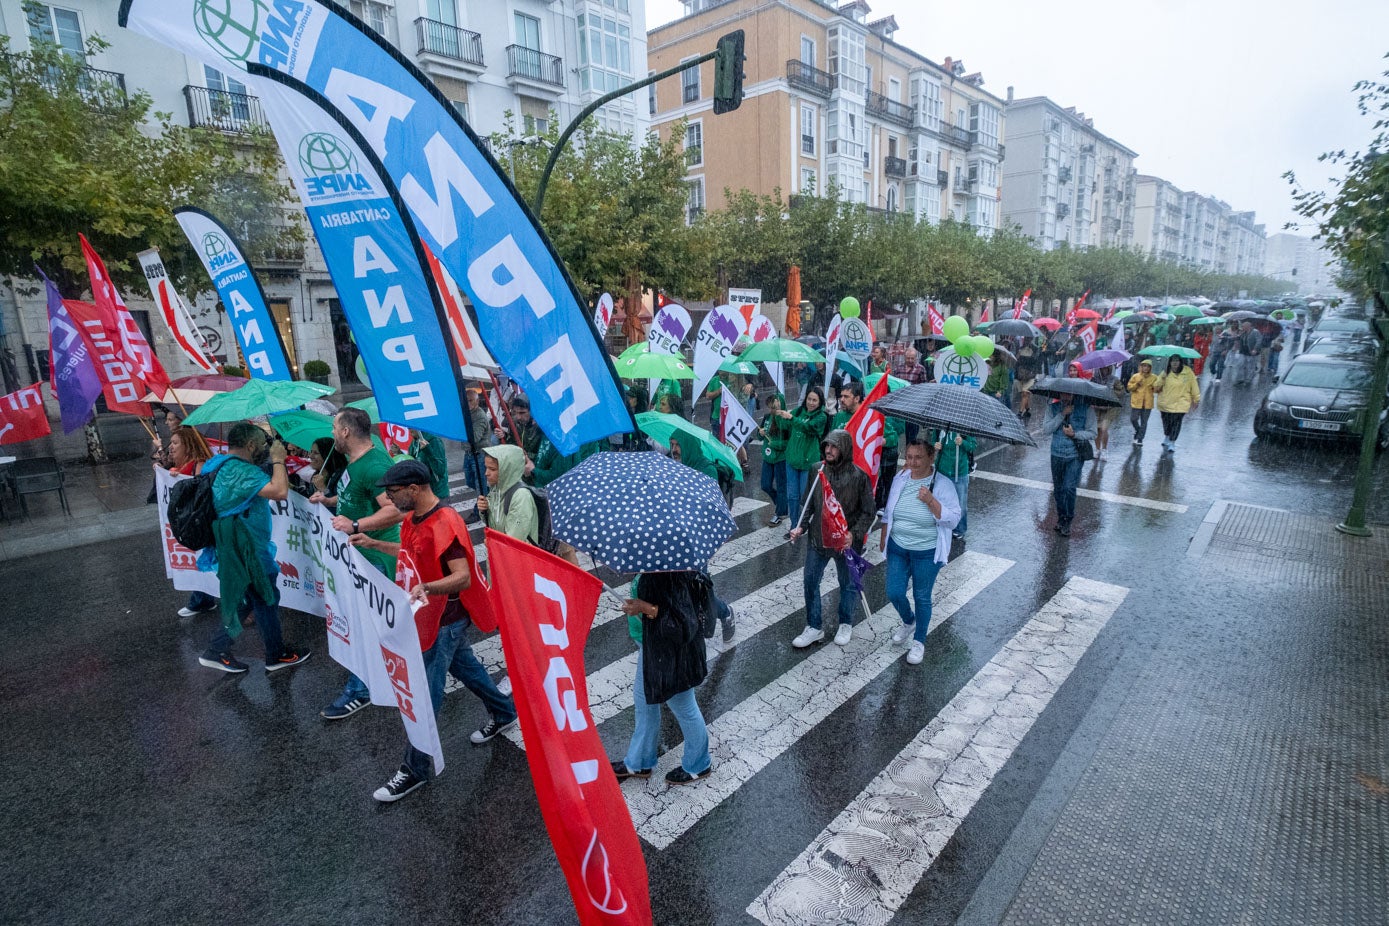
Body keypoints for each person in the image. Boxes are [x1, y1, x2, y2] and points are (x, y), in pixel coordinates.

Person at [350, 460, 517, 802]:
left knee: (426, 695)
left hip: (446, 619)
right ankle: (504, 712)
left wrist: (427, 586)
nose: (388, 498)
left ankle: (415, 769)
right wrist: (373, 543)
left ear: (414, 488)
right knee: (468, 671)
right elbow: (412, 556)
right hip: (430, 616)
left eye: (393, 492)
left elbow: (463, 576)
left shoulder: (446, 523)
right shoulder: (412, 519)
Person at [196, 422, 311, 673]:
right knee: (265, 595)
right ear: (250, 445)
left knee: (252, 596)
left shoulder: (217, 463)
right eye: (261, 444)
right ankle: (275, 653)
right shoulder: (241, 471)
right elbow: (280, 491)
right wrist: (279, 459)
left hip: (231, 541)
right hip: (246, 545)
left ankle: (219, 649)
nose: (263, 449)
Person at [313, 407, 403, 720]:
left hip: (374, 559)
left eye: (335, 428)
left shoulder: (375, 463)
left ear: (347, 431)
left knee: (367, 626)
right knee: (368, 624)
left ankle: (361, 689)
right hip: (358, 555)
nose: (333, 434)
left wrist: (355, 526)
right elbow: (355, 496)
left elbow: (395, 511)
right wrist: (328, 502)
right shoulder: (358, 462)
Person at [610, 571, 713, 786]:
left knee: (685, 708)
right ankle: (639, 762)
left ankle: (698, 764)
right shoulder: (654, 564)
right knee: (644, 701)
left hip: (672, 657)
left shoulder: (670, 572)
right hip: (652, 649)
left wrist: (645, 608)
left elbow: (684, 625)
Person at [787, 429, 875, 647]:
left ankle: (846, 622)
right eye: (827, 445)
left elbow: (869, 511)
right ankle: (814, 626)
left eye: (834, 446)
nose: (829, 450)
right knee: (810, 580)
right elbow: (808, 503)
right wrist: (800, 527)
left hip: (845, 543)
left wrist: (853, 534)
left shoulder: (859, 476)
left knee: (847, 584)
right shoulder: (816, 470)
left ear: (844, 448)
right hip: (818, 539)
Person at [879, 439, 961, 665]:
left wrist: (931, 501)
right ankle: (909, 621)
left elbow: (954, 520)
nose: (912, 462)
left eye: (918, 457)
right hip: (898, 546)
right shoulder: (901, 478)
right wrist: (884, 534)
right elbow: (889, 509)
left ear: (931, 458)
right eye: (909, 456)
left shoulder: (943, 485)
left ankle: (919, 641)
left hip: (926, 551)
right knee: (894, 592)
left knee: (921, 596)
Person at [1045, 396, 1096, 537]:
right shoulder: (1053, 408)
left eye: (1069, 394)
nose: (1066, 396)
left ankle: (1068, 519)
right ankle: (1061, 517)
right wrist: (1062, 415)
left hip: (1075, 455)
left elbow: (1093, 432)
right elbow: (1046, 429)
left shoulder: (1086, 409)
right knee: (1058, 490)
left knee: (1069, 488)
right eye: (1063, 393)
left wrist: (1075, 434)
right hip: (1056, 454)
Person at [779, 385, 829, 528]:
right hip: (792, 460)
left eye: (815, 400)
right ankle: (794, 525)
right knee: (792, 496)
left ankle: (804, 523)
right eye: (809, 399)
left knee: (803, 496)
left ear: (820, 402)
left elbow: (808, 428)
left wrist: (791, 418)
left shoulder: (821, 417)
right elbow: (784, 425)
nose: (811, 403)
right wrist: (780, 410)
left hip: (808, 463)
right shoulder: (798, 411)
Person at [927, 426, 975, 540]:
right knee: (941, 499)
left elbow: (972, 445)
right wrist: (935, 445)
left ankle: (960, 528)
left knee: (961, 503)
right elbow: (933, 441)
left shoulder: (966, 427)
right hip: (942, 470)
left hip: (959, 471)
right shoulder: (939, 427)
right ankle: (943, 522)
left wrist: (963, 442)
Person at [1153, 355, 1200, 453]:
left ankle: (1172, 442)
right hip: (1165, 402)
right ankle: (1167, 435)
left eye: (1177, 361)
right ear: (1169, 362)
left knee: (1176, 423)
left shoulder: (1188, 373)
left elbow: (1194, 386)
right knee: (1166, 422)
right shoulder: (1165, 372)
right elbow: (1157, 386)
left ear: (1180, 362)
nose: (1175, 363)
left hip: (1181, 404)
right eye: (1173, 361)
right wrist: (1162, 377)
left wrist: (1196, 399)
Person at [758, 392, 790, 526]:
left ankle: (780, 513)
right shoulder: (766, 417)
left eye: (775, 407)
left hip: (780, 458)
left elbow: (788, 442)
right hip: (768, 457)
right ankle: (781, 503)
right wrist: (760, 433)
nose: (772, 410)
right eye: (770, 407)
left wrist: (775, 444)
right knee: (765, 485)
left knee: (781, 486)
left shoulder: (785, 420)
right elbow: (759, 437)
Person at [462, 388, 493, 496]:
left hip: (480, 453)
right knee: (470, 481)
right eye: (466, 400)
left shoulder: (479, 415)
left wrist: (462, 429)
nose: (468, 403)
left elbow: (475, 438)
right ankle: (488, 495)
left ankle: (481, 509)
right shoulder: (467, 413)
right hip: (469, 452)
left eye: (470, 400)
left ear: (477, 401)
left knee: (480, 484)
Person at [496, 392, 542, 463]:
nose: (518, 417)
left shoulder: (541, 427)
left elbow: (543, 454)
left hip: (535, 468)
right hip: (520, 465)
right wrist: (504, 436)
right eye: (515, 412)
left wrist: (525, 455)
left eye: (522, 413)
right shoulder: (515, 423)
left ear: (532, 411)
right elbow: (512, 443)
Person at [1091, 365, 1124, 460]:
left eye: (1106, 368)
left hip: (1110, 408)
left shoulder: (1114, 379)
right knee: (1097, 429)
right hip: (1097, 407)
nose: (1104, 370)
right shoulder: (1094, 379)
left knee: (1104, 428)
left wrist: (1111, 390)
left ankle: (1104, 449)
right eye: (1102, 368)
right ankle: (1097, 450)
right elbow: (1090, 391)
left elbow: (1122, 393)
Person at [1126, 359, 1158, 447]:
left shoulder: (1154, 377)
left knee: (1144, 421)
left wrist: (1156, 386)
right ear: (1141, 367)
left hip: (1147, 403)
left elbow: (1157, 389)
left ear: (1150, 368)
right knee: (1133, 419)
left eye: (1148, 366)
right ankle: (1138, 430)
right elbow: (1129, 388)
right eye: (1144, 366)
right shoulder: (1136, 376)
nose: (1146, 368)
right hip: (1137, 402)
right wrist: (1137, 384)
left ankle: (1140, 438)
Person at [308, 437, 346, 510]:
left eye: (315, 453)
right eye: (311, 452)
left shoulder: (341, 476)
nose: (310, 456)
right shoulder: (316, 474)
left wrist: (323, 488)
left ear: (326, 455)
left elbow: (340, 507)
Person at [1014, 340, 1041, 418]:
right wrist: (1018, 356)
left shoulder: (1035, 349)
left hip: (1029, 375)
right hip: (1020, 375)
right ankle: (1027, 409)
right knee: (1023, 394)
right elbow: (1016, 361)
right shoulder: (1020, 348)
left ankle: (1020, 412)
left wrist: (1024, 357)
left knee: (1025, 394)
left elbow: (1036, 361)